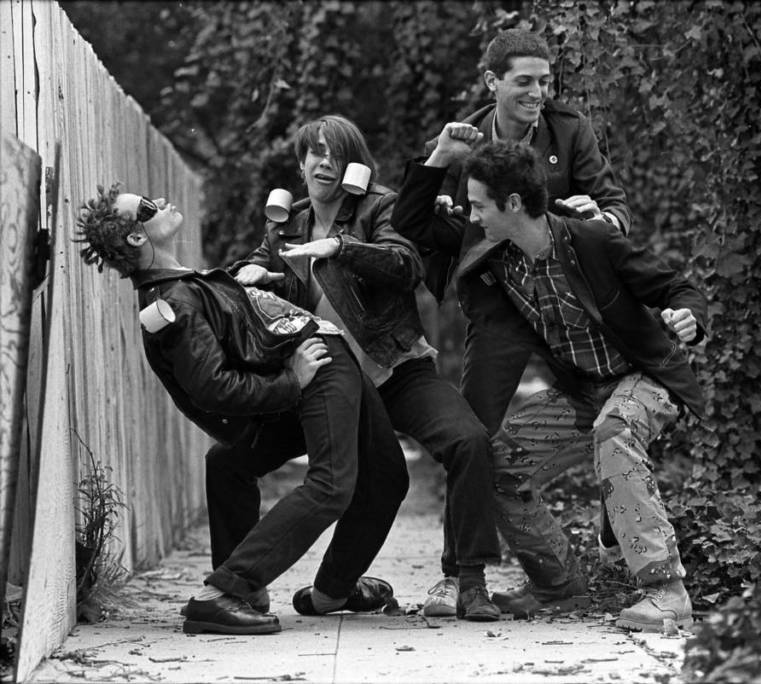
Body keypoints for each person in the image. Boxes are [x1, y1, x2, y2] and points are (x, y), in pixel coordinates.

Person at [392, 125, 708, 633]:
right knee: (495, 465)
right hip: (583, 390)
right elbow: (410, 223)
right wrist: (438, 157)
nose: (470, 215)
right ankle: (559, 587)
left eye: (478, 205)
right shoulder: (493, 247)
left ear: (513, 203)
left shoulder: (591, 239)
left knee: (616, 430)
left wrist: (687, 318)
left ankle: (667, 593)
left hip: (642, 379)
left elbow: (677, 286)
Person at [74, 184, 407, 634]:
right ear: (136, 237)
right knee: (332, 485)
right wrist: (293, 380)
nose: (164, 202)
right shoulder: (173, 304)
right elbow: (215, 387)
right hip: (314, 367)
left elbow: (237, 337)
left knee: (380, 474)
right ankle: (226, 590)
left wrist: (258, 285)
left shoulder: (179, 286)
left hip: (319, 360)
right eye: (149, 207)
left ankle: (329, 590)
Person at [230, 115, 501, 621]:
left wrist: (341, 247)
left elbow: (405, 265)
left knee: (469, 441)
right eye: (316, 152)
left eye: (336, 154)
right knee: (234, 461)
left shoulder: (380, 207)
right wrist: (249, 274)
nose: (325, 162)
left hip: (394, 368)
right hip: (328, 384)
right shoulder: (284, 225)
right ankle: (252, 591)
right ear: (302, 162)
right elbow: (260, 283)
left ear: (353, 165)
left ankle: (470, 579)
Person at [422, 28, 634, 436]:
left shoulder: (571, 129)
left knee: (614, 423)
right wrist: (443, 210)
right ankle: (473, 498)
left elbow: (616, 207)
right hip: (498, 303)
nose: (537, 92)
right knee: (474, 435)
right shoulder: (457, 141)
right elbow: (426, 221)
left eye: (543, 81)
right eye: (524, 81)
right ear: (492, 82)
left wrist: (601, 221)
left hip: (569, 300)